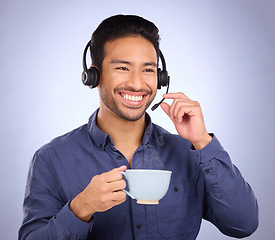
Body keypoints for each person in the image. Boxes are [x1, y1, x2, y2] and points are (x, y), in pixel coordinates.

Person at [19, 14, 258, 240]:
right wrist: (81, 208)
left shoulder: (191, 152)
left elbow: (243, 224)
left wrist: (203, 141)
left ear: (161, 78)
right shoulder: (51, 158)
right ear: (94, 75)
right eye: (123, 68)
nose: (136, 83)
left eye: (148, 70)